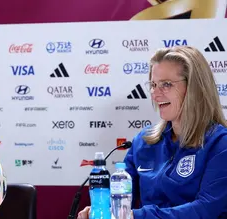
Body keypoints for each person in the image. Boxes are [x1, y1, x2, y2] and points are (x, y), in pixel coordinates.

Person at [77, 46, 227, 219]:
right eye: (154, 85)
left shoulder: (220, 144)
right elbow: (122, 197)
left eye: (166, 84)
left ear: (195, 88)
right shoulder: (144, 141)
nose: (155, 94)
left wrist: (138, 216)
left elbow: (206, 210)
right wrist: (102, 210)